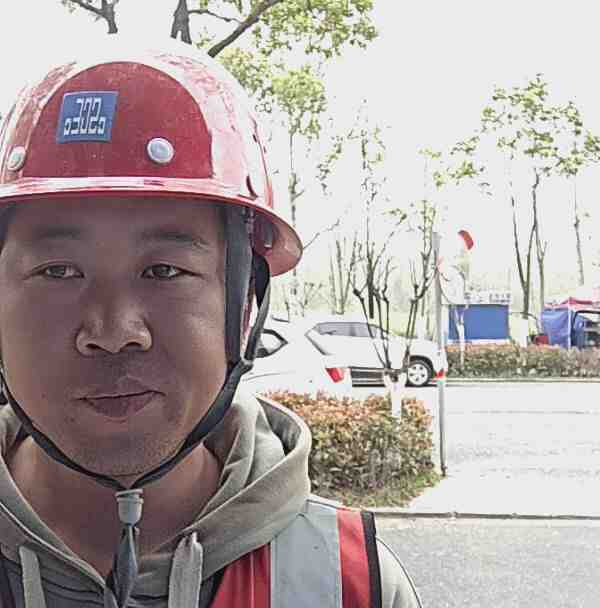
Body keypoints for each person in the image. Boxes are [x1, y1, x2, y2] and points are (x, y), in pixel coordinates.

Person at [0, 40, 422, 608]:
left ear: (244, 302)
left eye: (164, 271)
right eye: (58, 271)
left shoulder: (349, 584)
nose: (114, 331)